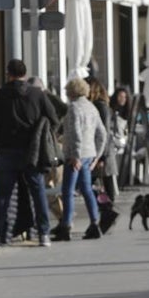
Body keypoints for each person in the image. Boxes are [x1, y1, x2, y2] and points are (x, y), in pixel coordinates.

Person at [0, 59, 59, 246]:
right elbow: (54, 118)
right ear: (25, 74)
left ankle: (0, 233)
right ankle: (43, 233)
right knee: (38, 192)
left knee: (3, 194)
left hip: (7, 149)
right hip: (33, 151)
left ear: (8, 74)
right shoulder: (37, 94)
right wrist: (42, 135)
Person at [52, 79, 107, 242]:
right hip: (89, 154)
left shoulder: (74, 108)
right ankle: (95, 223)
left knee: (68, 191)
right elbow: (102, 134)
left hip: (75, 156)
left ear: (71, 92)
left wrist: (75, 155)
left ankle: (66, 226)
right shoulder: (92, 108)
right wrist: (97, 156)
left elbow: (76, 134)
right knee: (87, 189)